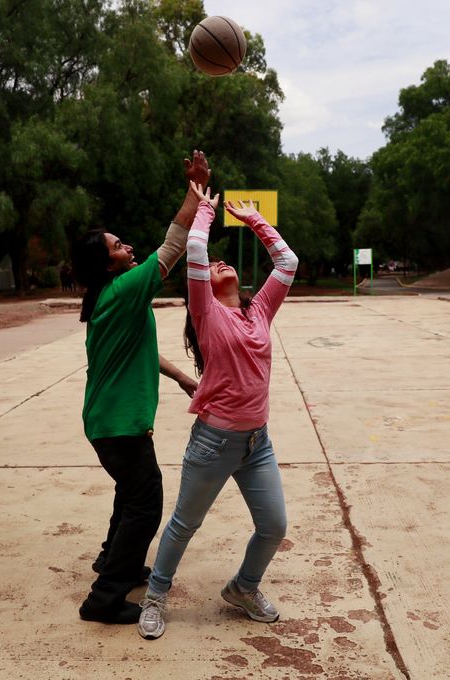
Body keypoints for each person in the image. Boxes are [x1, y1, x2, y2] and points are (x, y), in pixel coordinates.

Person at [138, 183, 298, 640]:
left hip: (256, 443)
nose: (217, 263)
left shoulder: (259, 312)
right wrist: (205, 211)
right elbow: (193, 247)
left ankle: (243, 588)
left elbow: (287, 262)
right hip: (213, 443)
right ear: (201, 287)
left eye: (222, 263)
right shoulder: (207, 311)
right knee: (185, 524)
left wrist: (253, 220)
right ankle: (155, 597)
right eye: (211, 266)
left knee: (273, 526)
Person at [71, 151, 209, 625]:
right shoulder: (125, 289)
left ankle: (115, 561)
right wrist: (194, 191)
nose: (126, 246)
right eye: (117, 245)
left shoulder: (111, 299)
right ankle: (105, 597)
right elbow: (171, 248)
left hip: (109, 423)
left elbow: (143, 356)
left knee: (129, 495)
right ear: (108, 265)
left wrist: (185, 380)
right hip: (119, 425)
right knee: (146, 502)